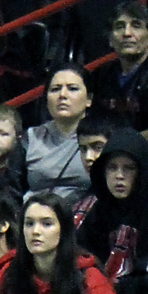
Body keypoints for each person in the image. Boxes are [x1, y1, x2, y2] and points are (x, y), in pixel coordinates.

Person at [78, 128, 148, 294]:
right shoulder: (97, 208)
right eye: (112, 167)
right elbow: (81, 260)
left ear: (142, 170)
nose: (119, 176)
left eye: (129, 168)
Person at [92, 4, 148, 148]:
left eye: (136, 26)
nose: (127, 33)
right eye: (119, 27)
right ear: (110, 40)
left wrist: (121, 144)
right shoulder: (101, 75)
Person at [23, 66, 94, 206]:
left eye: (72, 88)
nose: (62, 95)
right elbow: (13, 189)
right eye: (55, 89)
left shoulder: (102, 137)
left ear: (89, 99)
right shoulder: (30, 137)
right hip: (34, 219)